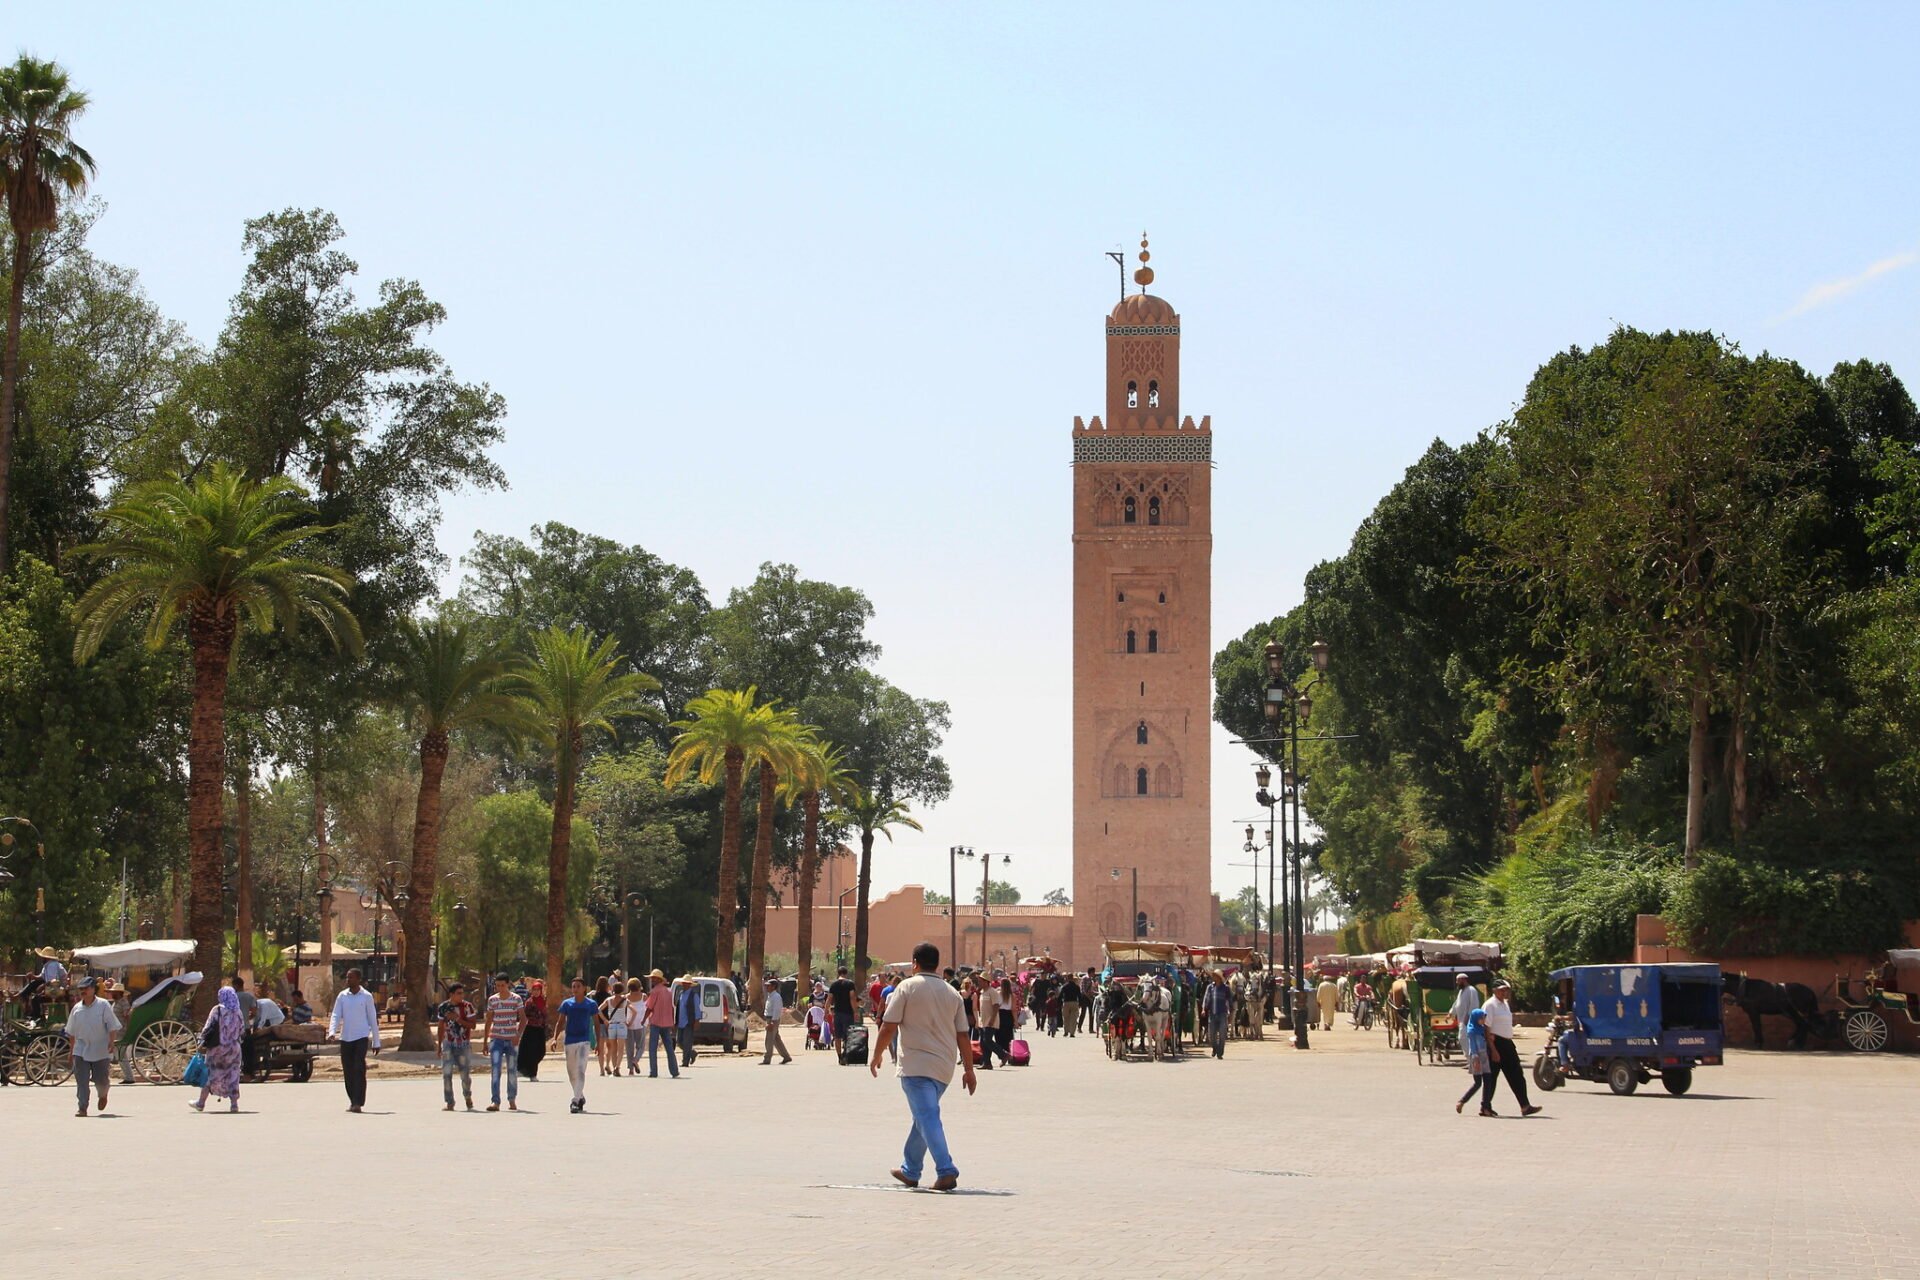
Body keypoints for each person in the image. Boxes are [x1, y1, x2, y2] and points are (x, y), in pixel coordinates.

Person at [870, 942, 975, 1192]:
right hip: (943, 1068)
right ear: (937, 964)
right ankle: (911, 1169)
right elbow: (963, 1034)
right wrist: (969, 1069)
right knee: (924, 1117)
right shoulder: (952, 993)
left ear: (914, 962)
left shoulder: (906, 987)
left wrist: (876, 1055)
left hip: (915, 1066)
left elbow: (888, 1025)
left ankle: (946, 1169)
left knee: (927, 1116)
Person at [64, 977, 121, 1118]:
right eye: (81, 989)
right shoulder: (76, 1008)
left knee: (101, 1079)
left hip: (100, 1048)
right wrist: (71, 1050)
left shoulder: (103, 1005)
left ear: (93, 989)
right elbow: (71, 1031)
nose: (83, 991)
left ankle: (103, 1094)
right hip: (81, 1048)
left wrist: (111, 1042)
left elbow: (112, 1026)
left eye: (86, 988)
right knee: (81, 1079)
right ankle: (82, 1107)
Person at [327, 967, 382, 1113]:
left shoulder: (366, 996)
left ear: (358, 979)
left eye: (351, 977)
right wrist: (332, 1031)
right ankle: (352, 1100)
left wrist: (376, 1042)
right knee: (348, 1070)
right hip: (346, 1037)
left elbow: (372, 1019)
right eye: (347, 977)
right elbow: (336, 1015)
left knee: (358, 1068)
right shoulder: (342, 996)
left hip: (361, 1037)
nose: (348, 980)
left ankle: (358, 1101)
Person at [1483, 979, 1541, 1117]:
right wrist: (1493, 1050)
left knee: (1516, 1075)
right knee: (1491, 1077)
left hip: (1507, 1043)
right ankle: (1485, 1106)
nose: (1505, 992)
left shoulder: (1505, 1004)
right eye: (1502, 990)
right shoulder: (1490, 1005)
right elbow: (1486, 1027)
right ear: (1495, 990)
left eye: (1506, 990)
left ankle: (1525, 1105)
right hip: (1495, 1043)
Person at [192, 986, 244, 1114]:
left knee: (212, 1075)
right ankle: (234, 1105)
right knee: (233, 1076)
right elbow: (242, 1029)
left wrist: (201, 1041)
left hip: (218, 1049)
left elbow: (208, 1027)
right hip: (234, 1049)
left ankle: (201, 1103)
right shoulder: (238, 1011)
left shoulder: (217, 1010)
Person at [483, 973, 523, 1112]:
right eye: (498, 985)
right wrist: (485, 1041)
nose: (500, 988)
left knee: (512, 1070)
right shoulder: (492, 1000)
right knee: (495, 1070)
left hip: (512, 1040)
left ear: (508, 984)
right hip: (496, 1039)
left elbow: (523, 1019)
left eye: (503, 985)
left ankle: (512, 1099)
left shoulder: (516, 999)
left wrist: (518, 1035)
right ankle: (495, 1101)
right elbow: (489, 1020)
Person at [557, 977, 598, 1113]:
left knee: (580, 1070)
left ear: (584, 988)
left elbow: (597, 1023)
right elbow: (560, 1021)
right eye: (573, 986)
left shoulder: (591, 1004)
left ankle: (575, 1101)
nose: (575, 989)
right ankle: (580, 1095)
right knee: (571, 1072)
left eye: (578, 986)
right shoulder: (567, 1004)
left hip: (584, 1041)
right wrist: (555, 1038)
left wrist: (597, 1041)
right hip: (569, 1041)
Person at [436, 981, 477, 1112]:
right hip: (448, 1043)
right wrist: (439, 1045)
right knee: (446, 1073)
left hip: (463, 1044)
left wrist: (458, 1019)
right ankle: (449, 1102)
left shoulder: (467, 1007)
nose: (461, 996)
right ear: (451, 994)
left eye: (462, 993)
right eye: (458, 993)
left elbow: (473, 1025)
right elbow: (441, 1026)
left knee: (465, 1074)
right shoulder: (443, 1007)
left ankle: (467, 1096)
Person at [1456, 1007, 1498, 1116]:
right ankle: (1462, 1101)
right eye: (1481, 1019)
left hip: (1485, 1057)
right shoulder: (1472, 1031)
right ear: (1476, 1018)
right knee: (1478, 1083)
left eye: (1483, 1018)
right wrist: (1475, 1059)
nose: (1483, 1021)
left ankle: (1485, 1107)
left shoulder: (1481, 1029)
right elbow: (1473, 1046)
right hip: (1477, 1058)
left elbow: (1486, 1040)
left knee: (1488, 1081)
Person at [643, 968, 680, 1079]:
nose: (652, 980)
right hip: (667, 1022)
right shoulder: (669, 991)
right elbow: (672, 1008)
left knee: (653, 1048)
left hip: (656, 1022)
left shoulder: (654, 991)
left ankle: (653, 1071)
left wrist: (644, 1019)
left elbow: (649, 1007)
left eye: (654, 978)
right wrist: (672, 1022)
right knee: (669, 1048)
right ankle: (674, 1071)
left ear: (658, 979)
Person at [518, 979, 548, 1081]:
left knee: (541, 1052)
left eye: (538, 990)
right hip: (530, 1030)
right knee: (532, 1052)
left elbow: (545, 1015)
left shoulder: (543, 1001)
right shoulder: (529, 1002)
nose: (536, 992)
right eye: (534, 990)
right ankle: (532, 1074)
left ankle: (529, 1068)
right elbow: (524, 1016)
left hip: (540, 1030)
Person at [107, 982, 136, 1085]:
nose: (112, 994)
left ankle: (129, 1077)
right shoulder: (116, 1002)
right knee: (117, 1054)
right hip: (114, 1030)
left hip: (120, 1031)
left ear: (119, 993)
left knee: (120, 1054)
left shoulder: (123, 1002)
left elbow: (127, 1016)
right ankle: (128, 1077)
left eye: (114, 992)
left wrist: (128, 1030)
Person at [761, 972, 792, 1065]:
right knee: (776, 1039)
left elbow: (776, 1010)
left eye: (769, 986)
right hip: (769, 1018)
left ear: (774, 986)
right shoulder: (770, 996)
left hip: (772, 1019)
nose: (767, 987)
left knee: (769, 1039)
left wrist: (772, 1022)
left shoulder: (776, 997)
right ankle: (786, 1056)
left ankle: (767, 1059)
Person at [599, 978, 627, 1077]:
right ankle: (617, 1067)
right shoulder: (624, 1000)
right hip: (621, 1025)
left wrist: (605, 1020)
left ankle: (614, 1066)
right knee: (621, 1048)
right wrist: (629, 1021)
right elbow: (633, 1010)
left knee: (613, 1048)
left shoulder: (609, 1000)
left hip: (611, 1025)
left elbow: (599, 1009)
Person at [828, 967, 857, 1055]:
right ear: (846, 973)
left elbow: (829, 999)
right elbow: (852, 998)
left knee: (837, 1036)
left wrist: (826, 1012)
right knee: (848, 1035)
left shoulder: (833, 985)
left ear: (838, 973)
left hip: (837, 1013)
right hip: (848, 1013)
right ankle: (846, 1053)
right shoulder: (850, 984)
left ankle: (839, 1056)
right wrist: (855, 1011)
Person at [622, 978, 648, 1075]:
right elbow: (648, 1008)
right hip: (641, 1024)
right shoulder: (643, 996)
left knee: (629, 1047)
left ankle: (631, 1069)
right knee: (640, 1046)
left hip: (629, 1023)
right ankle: (636, 1060)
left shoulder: (626, 997)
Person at [1204, 973, 1232, 1059]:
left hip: (1222, 1014)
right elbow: (1206, 998)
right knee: (1211, 1034)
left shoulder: (1226, 988)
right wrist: (1203, 1009)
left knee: (1222, 1034)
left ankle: (1220, 1053)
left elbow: (1229, 1000)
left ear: (1219, 978)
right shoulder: (1210, 987)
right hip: (1212, 1013)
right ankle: (1215, 1048)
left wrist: (1230, 1011)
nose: (1213, 978)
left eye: (1215, 976)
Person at [675, 976, 700, 1067]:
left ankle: (685, 1061)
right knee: (679, 1041)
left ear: (690, 984)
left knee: (687, 1042)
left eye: (686, 983)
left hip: (688, 1022)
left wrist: (697, 1020)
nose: (684, 984)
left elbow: (697, 1009)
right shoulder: (681, 994)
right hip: (680, 1022)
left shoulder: (694, 995)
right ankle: (692, 1053)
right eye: (684, 983)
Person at [1059, 972, 1081, 1038]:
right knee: (1073, 1018)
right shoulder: (1077, 987)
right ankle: (1072, 1033)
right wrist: (1080, 1003)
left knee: (1066, 1018)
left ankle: (1066, 1031)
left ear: (1067, 978)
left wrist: (1059, 1003)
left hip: (1066, 1002)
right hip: (1074, 1002)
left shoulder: (1064, 986)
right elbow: (1079, 996)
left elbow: (1060, 996)